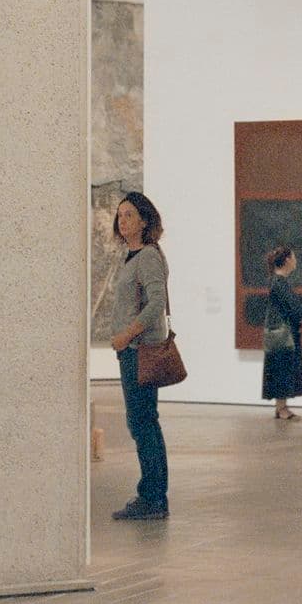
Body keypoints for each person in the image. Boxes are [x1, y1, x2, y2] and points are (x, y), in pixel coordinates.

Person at [109, 192, 172, 520]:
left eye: (130, 214)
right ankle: (153, 495)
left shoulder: (147, 255)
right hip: (131, 351)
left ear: (145, 220)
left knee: (143, 423)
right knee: (143, 423)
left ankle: (153, 498)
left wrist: (127, 334)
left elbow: (156, 302)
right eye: (120, 215)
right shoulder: (132, 256)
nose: (123, 220)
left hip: (139, 350)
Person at [262, 246, 302, 420]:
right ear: (287, 260)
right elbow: (291, 306)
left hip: (284, 333)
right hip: (283, 335)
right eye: (294, 257)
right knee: (282, 368)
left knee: (283, 367)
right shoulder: (279, 282)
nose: (295, 261)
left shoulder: (278, 281)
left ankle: (282, 406)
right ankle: (281, 408)